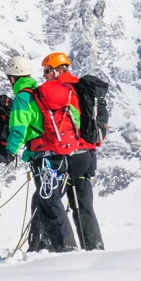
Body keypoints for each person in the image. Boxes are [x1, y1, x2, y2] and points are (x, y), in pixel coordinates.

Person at [3, 55, 79, 253]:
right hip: (60, 153)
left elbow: (18, 127)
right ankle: (38, 244)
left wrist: (10, 151)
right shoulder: (40, 93)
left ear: (12, 78)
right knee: (41, 198)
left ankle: (67, 247)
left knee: (50, 199)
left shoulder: (23, 98)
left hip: (43, 156)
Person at [43, 53, 105, 251]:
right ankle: (94, 247)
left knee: (48, 199)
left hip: (71, 155)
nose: (45, 76)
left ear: (59, 70)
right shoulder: (83, 89)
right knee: (83, 204)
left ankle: (56, 248)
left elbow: (42, 96)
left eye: (47, 71)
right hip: (88, 154)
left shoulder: (61, 90)